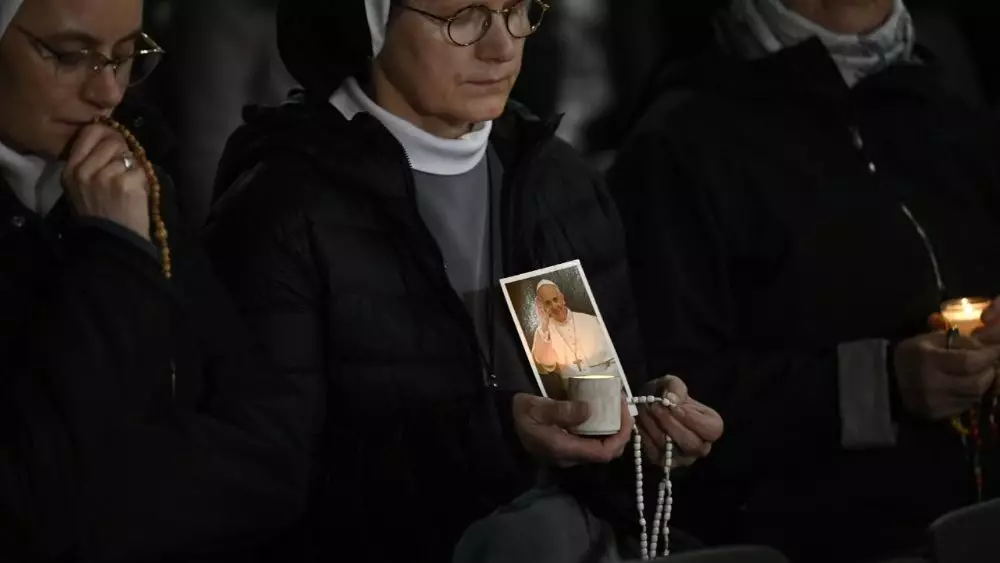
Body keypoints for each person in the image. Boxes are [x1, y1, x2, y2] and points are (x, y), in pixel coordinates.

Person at [205, 1, 724, 562]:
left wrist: (643, 442)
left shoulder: (553, 186)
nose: (501, 46)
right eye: (464, 16)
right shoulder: (283, 213)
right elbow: (269, 496)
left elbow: (595, 431)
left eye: (517, 11)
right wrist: (502, 435)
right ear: (370, 24)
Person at [608, 0, 1000, 561]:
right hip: (821, 538)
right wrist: (882, 385)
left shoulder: (938, 100)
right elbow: (669, 399)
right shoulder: (681, 143)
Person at [0, 0, 303, 561]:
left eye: (126, 58)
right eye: (70, 56)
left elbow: (270, 450)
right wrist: (114, 251)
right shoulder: (118, 209)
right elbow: (35, 501)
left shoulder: (137, 182)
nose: (109, 94)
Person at [531, 279, 618, 398]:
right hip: (575, 394)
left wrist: (603, 384)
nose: (554, 306)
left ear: (562, 298)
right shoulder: (543, 331)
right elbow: (546, 364)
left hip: (607, 387)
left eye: (555, 299)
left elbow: (615, 361)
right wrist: (544, 325)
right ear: (542, 306)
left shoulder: (591, 321)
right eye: (548, 303)